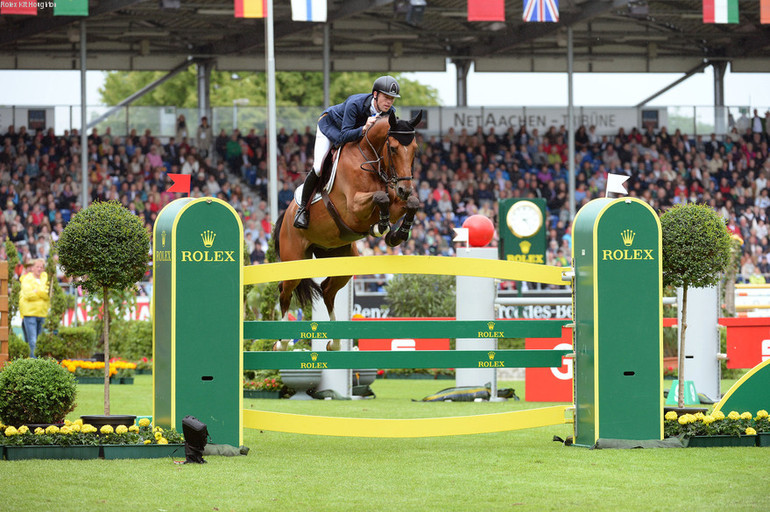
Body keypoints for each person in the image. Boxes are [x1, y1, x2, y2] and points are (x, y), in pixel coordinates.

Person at [293, 75, 401, 229]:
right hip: (331, 126)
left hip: (354, 133)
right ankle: (302, 209)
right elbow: (344, 135)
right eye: (386, 97)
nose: (389, 102)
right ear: (375, 94)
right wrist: (364, 128)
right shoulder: (355, 103)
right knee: (318, 167)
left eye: (392, 98)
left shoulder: (390, 113)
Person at [19, 258, 50, 358]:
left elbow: (47, 294)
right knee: (33, 341)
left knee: (40, 342)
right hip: (30, 314)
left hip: (42, 313)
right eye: (37, 266)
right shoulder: (26, 279)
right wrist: (41, 293)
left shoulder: (45, 279)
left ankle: (39, 362)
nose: (39, 269)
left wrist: (38, 291)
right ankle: (34, 363)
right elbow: (28, 295)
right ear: (32, 268)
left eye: (41, 267)